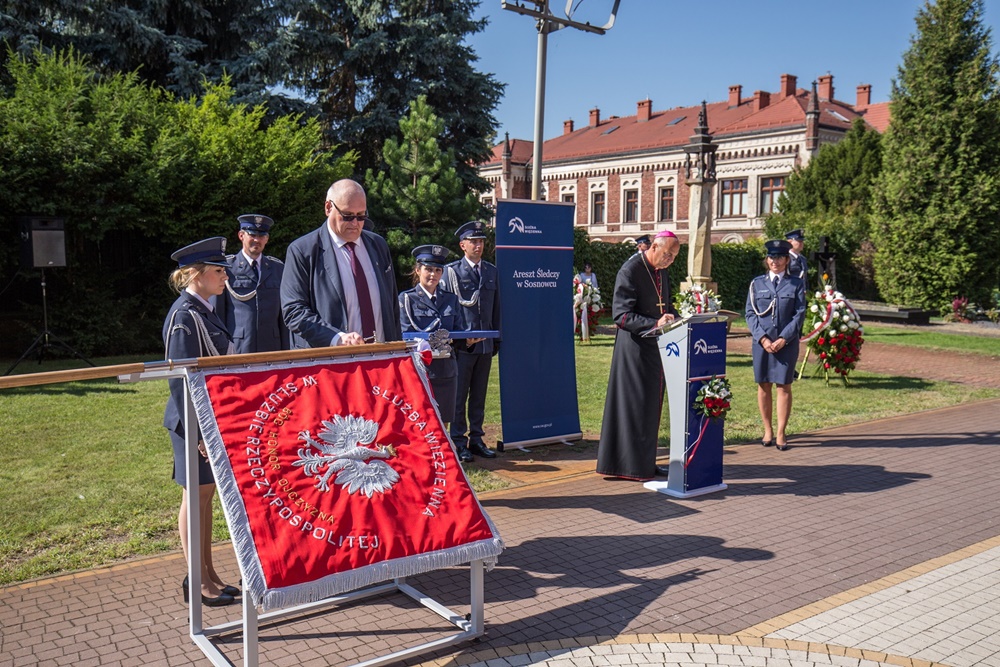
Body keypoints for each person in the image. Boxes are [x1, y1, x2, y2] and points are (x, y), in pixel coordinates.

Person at [162, 237, 238, 607]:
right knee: (195, 498)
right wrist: (198, 433)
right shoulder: (184, 316)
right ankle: (197, 580)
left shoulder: (204, 310)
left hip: (210, 421)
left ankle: (209, 573)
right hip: (191, 425)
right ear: (197, 275)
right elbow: (181, 381)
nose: (225, 276)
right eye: (218, 271)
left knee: (206, 498)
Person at [596, 230, 681, 481]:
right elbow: (621, 315)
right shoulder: (630, 270)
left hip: (656, 348)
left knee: (650, 407)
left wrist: (676, 316)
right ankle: (627, 466)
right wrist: (655, 323)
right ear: (654, 247)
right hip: (633, 350)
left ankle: (645, 462)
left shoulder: (661, 270)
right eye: (667, 254)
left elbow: (665, 305)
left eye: (674, 257)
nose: (670, 261)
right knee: (634, 407)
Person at [280, 179, 402, 347]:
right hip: (330, 361)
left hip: (380, 359)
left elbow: (392, 307)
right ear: (328, 208)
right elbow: (294, 311)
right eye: (347, 216)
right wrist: (336, 338)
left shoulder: (378, 245)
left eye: (361, 216)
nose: (355, 223)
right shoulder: (303, 251)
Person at [439, 220, 500, 462]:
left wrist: (496, 339)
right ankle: (458, 440)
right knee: (459, 395)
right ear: (462, 245)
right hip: (463, 347)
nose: (478, 245)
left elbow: (496, 309)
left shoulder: (491, 272)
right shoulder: (452, 272)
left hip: (485, 344)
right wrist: (459, 341)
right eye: (473, 241)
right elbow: (448, 310)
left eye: (481, 241)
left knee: (479, 395)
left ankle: (476, 438)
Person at [399, 244, 476, 427]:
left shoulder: (451, 299)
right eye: (428, 269)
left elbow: (456, 332)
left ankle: (442, 455)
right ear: (418, 270)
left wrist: (468, 342)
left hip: (446, 369)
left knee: (444, 420)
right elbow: (404, 336)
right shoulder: (406, 299)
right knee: (420, 422)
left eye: (438, 270)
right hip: (420, 370)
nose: (433, 274)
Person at [745, 239, 807, 451]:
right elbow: (750, 313)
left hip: (785, 344)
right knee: (763, 385)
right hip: (762, 344)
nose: (775, 261)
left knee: (783, 385)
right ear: (767, 259)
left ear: (787, 260)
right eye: (772, 257)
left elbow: (799, 315)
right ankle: (767, 430)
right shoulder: (756, 284)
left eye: (780, 257)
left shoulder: (796, 284)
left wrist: (783, 339)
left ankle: (781, 432)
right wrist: (763, 339)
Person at [217, 214, 289, 353]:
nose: (257, 240)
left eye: (262, 236)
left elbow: (283, 315)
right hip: (238, 348)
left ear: (267, 239)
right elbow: (218, 314)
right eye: (252, 235)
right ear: (241, 235)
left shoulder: (278, 268)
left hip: (272, 348)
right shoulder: (227, 268)